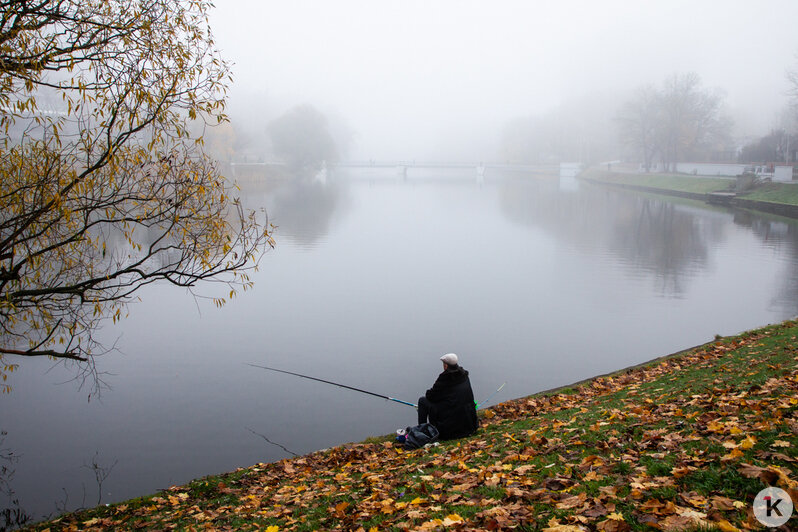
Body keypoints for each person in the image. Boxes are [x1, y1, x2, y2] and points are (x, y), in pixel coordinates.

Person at [417, 353, 479, 440]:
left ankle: (422, 431)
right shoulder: (464, 375)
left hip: (450, 430)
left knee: (422, 401)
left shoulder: (445, 378)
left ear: (446, 366)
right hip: (469, 426)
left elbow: (430, 396)